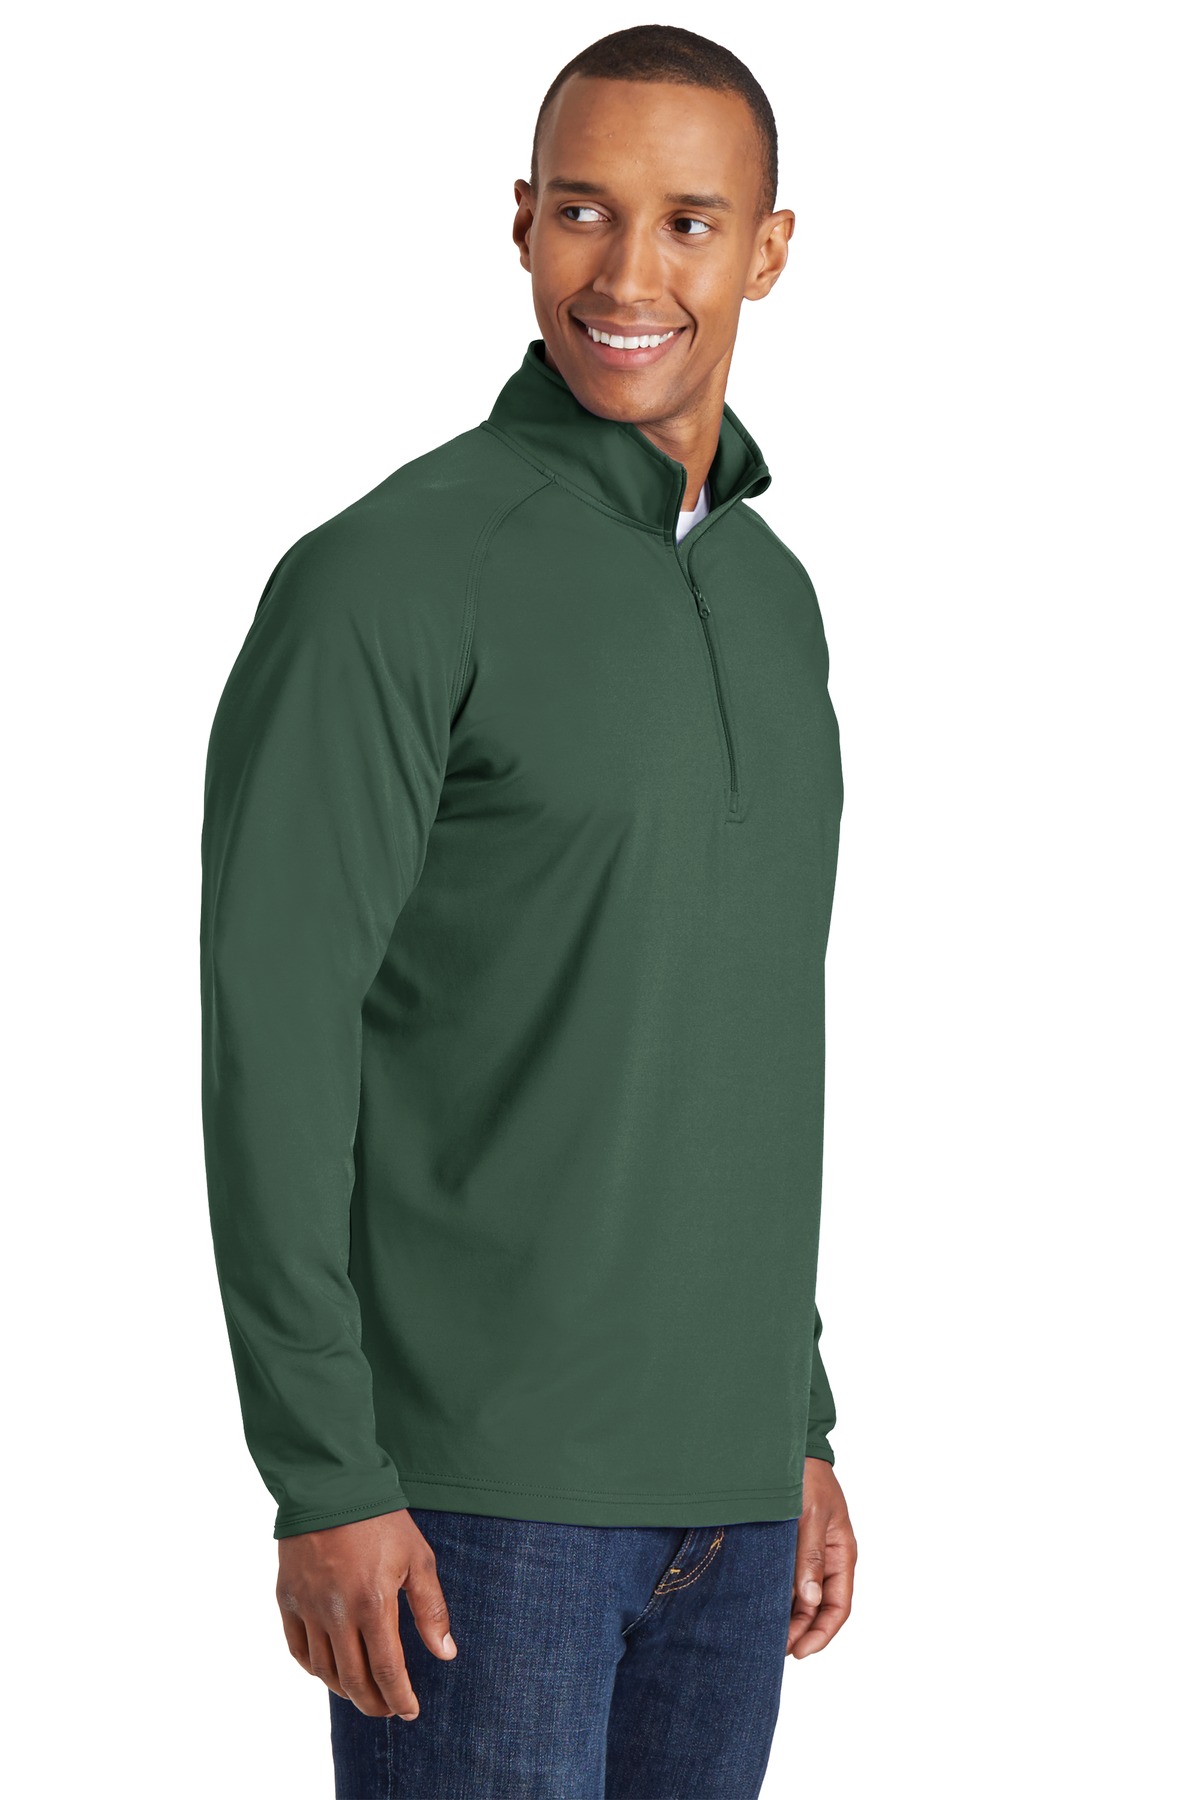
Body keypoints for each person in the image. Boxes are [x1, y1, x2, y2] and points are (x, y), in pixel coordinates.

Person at [199, 23, 858, 1800]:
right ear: (520, 222)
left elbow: (731, 1040)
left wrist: (791, 1423)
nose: (627, 275)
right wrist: (324, 1474)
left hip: (731, 1501)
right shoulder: (389, 578)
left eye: (689, 223)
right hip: (476, 1517)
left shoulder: (774, 600)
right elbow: (274, 1044)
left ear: (770, 250)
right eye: (583, 210)